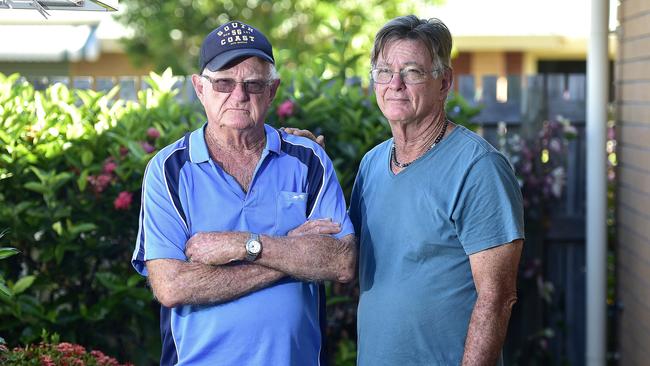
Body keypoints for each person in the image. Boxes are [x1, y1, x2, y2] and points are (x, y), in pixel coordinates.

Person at [131, 20, 356, 366]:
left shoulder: (308, 159)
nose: (239, 95)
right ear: (199, 88)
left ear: (272, 91)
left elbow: (340, 261)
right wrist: (292, 253)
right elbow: (172, 287)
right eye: (223, 83)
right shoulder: (169, 170)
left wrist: (244, 245)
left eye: (252, 84)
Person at [348, 15, 524, 366]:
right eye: (384, 71)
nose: (394, 84)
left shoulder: (478, 168)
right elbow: (345, 260)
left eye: (412, 71)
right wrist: (302, 157)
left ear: (444, 82)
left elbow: (497, 298)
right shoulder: (371, 165)